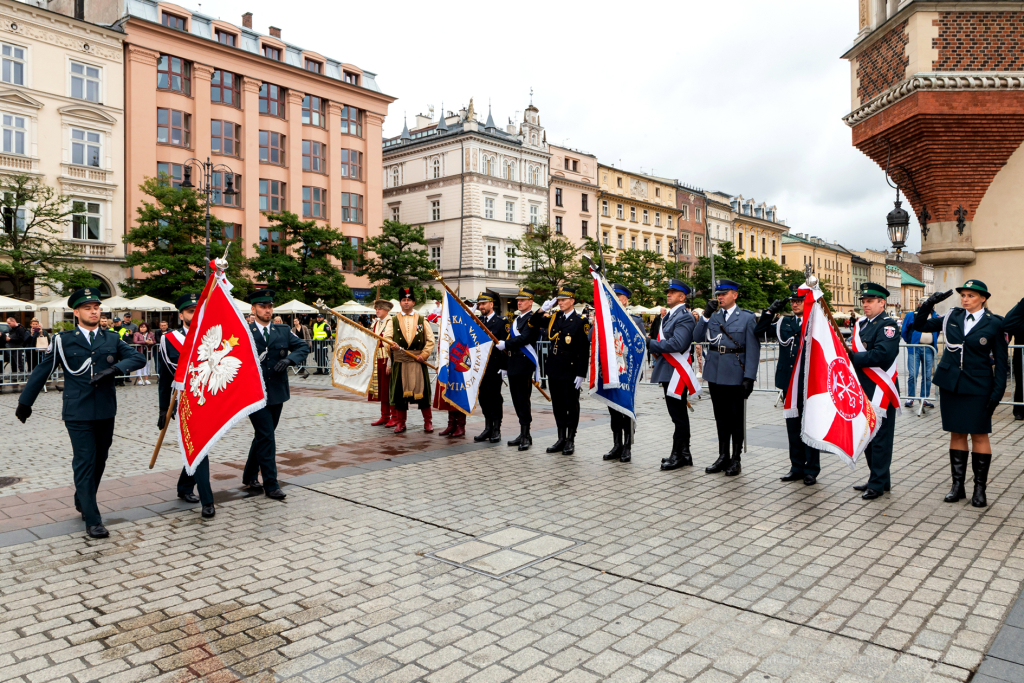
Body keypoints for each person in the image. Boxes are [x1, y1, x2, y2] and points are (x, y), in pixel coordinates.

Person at [14, 288, 145, 538]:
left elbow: (136, 359)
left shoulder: (111, 339)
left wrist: (113, 369)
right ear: (76, 312)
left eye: (96, 307)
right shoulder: (63, 340)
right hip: (77, 411)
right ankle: (92, 519)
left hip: (106, 409)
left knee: (101, 459)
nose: (94, 311)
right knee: (85, 460)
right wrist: (25, 402)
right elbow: (43, 370)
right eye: (88, 307)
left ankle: (82, 498)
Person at [913, 281, 1008, 507]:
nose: (965, 299)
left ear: (983, 298)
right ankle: (958, 486)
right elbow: (919, 325)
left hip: (978, 386)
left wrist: (997, 393)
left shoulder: (994, 323)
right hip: (951, 385)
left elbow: (1002, 364)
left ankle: (979, 488)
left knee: (979, 435)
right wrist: (928, 303)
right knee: (956, 433)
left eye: (971, 296)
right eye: (963, 295)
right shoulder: (951, 318)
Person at [242, 290, 310, 500]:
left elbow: (302, 346)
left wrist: (290, 360)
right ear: (253, 309)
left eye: (270, 306)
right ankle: (271, 484)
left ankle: (250, 475)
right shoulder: (244, 331)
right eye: (262, 307)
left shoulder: (282, 330)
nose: (267, 310)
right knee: (267, 437)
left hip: (277, 393)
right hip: (254, 393)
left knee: (264, 435)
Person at [693, 279, 760, 476]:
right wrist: (704, 316)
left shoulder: (747, 318)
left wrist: (749, 377)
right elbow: (697, 336)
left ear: (735, 295)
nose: (719, 297)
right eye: (718, 294)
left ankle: (735, 458)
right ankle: (723, 456)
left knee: (735, 419)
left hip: (735, 373)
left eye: (724, 293)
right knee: (720, 418)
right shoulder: (713, 316)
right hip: (714, 372)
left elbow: (753, 350)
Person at [157, 293, 215, 518]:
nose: (195, 314)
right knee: (201, 447)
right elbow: (164, 377)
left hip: (208, 399)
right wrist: (163, 408)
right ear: (180, 315)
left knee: (199, 446)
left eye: (198, 310)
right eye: (191, 311)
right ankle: (207, 500)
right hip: (185, 402)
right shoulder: (169, 339)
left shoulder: (210, 336)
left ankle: (184, 486)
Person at [756, 286, 820, 485]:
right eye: (792, 301)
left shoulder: (817, 323)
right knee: (793, 426)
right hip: (788, 382)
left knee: (809, 426)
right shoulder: (784, 321)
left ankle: (811, 469)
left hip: (809, 382)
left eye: (799, 301)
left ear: (807, 301)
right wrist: (769, 312)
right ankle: (796, 466)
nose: (794, 304)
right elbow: (759, 332)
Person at [849, 282, 902, 500]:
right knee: (868, 437)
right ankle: (878, 478)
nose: (865, 304)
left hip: (881, 389)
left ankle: (877, 484)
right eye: (863, 301)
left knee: (881, 439)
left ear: (882, 302)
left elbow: (882, 355)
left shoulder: (887, 326)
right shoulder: (862, 324)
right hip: (863, 388)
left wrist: (851, 357)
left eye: (870, 301)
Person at [594, 283, 648, 464]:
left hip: (626, 372)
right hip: (610, 372)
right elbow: (591, 340)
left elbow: (640, 347)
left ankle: (627, 446)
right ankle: (616, 444)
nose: (615, 300)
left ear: (625, 300)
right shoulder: (604, 319)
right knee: (613, 410)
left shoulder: (635, 320)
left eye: (619, 297)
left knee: (625, 409)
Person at [647, 280, 696, 469]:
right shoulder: (669, 316)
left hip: (676, 371)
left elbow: (678, 344)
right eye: (668, 291)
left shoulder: (684, 317)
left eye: (673, 292)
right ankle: (684, 453)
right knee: (677, 415)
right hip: (669, 370)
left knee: (678, 415)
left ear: (682, 297)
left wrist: (650, 343)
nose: (668, 294)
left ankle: (679, 455)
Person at [539, 286, 590, 455]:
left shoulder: (580, 321)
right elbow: (533, 322)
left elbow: (584, 350)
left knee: (571, 405)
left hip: (570, 368)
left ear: (572, 301)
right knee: (558, 405)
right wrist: (542, 309)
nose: (560, 303)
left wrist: (581, 373)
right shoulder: (555, 317)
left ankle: (570, 439)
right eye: (558, 300)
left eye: (563, 300)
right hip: (554, 366)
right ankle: (560, 438)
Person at [383, 287, 435, 433]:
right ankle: (401, 423)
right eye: (404, 300)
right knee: (399, 394)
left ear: (413, 302)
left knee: (423, 394)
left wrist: (424, 355)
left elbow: (430, 340)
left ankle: (428, 422)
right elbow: (386, 338)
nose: (406, 303)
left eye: (409, 300)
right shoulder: (392, 320)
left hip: (418, 361)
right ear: (400, 303)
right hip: (400, 363)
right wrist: (390, 347)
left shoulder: (421, 320)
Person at [498, 288, 542, 450]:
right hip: (513, 363)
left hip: (524, 364)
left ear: (531, 302)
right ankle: (523, 433)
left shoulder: (532, 319)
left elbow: (525, 338)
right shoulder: (517, 319)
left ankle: (526, 434)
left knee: (523, 400)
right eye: (518, 300)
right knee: (516, 400)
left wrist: (506, 344)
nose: (519, 302)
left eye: (523, 300)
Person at [467, 293, 509, 443]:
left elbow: (505, 346)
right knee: (483, 398)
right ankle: (488, 427)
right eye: (479, 304)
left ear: (491, 304)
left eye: (484, 304)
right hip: (480, 367)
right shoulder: (477, 322)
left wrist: (504, 367)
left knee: (494, 398)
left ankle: (496, 428)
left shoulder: (501, 322)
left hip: (494, 366)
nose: (481, 307)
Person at [368, 299, 401, 428]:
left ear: (386, 310)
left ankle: (395, 416)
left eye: (379, 309)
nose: (377, 311)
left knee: (389, 389)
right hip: (377, 359)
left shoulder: (391, 322)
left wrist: (390, 363)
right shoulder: (376, 323)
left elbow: (392, 344)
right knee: (381, 389)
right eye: (376, 309)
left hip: (387, 358)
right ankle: (384, 416)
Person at [901, 308, 938, 409]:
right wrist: (909, 342)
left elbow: (937, 331)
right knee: (913, 374)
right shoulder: (911, 315)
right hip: (914, 348)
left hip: (929, 349)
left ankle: (925, 398)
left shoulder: (935, 315)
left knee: (927, 375)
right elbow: (904, 331)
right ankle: (911, 397)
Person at [1006, 295, 1024, 421]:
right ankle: (1019, 410)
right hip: (1021, 356)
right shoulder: (1018, 318)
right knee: (1021, 382)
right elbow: (1007, 323)